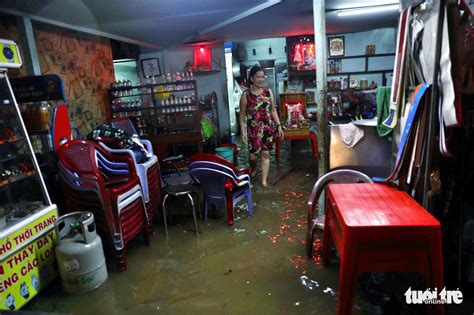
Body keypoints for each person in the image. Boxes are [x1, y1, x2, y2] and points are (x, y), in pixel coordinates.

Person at [240, 64, 284, 187]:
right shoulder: (246, 94)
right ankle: (253, 169)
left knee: (265, 154)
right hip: (253, 130)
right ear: (252, 78)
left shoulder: (268, 92)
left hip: (267, 129)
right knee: (253, 156)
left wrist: (279, 125)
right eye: (258, 77)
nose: (261, 79)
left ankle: (264, 180)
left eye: (262, 77)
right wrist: (243, 131)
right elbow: (242, 115)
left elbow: (273, 110)